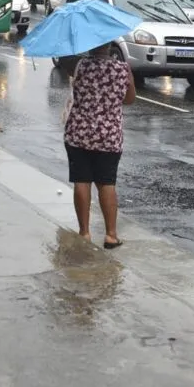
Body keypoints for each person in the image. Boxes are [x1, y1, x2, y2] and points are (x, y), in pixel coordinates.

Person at [63, 42, 136, 249]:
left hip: (79, 133)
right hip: (109, 137)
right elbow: (129, 100)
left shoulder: (80, 66)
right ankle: (111, 234)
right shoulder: (122, 69)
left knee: (81, 180)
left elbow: (75, 91)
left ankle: (84, 232)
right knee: (107, 182)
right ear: (110, 45)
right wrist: (128, 81)